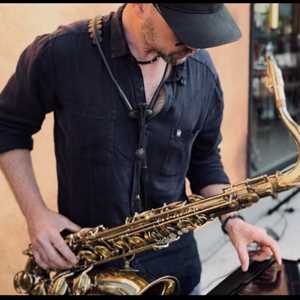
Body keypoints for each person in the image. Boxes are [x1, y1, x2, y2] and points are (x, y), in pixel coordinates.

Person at [0, 3, 281, 295]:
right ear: (142, 6)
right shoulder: (62, 52)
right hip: (84, 273)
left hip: (178, 274)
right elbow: (8, 126)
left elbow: (205, 160)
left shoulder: (203, 73)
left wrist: (232, 219)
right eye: (185, 28)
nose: (196, 45)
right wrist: (36, 215)